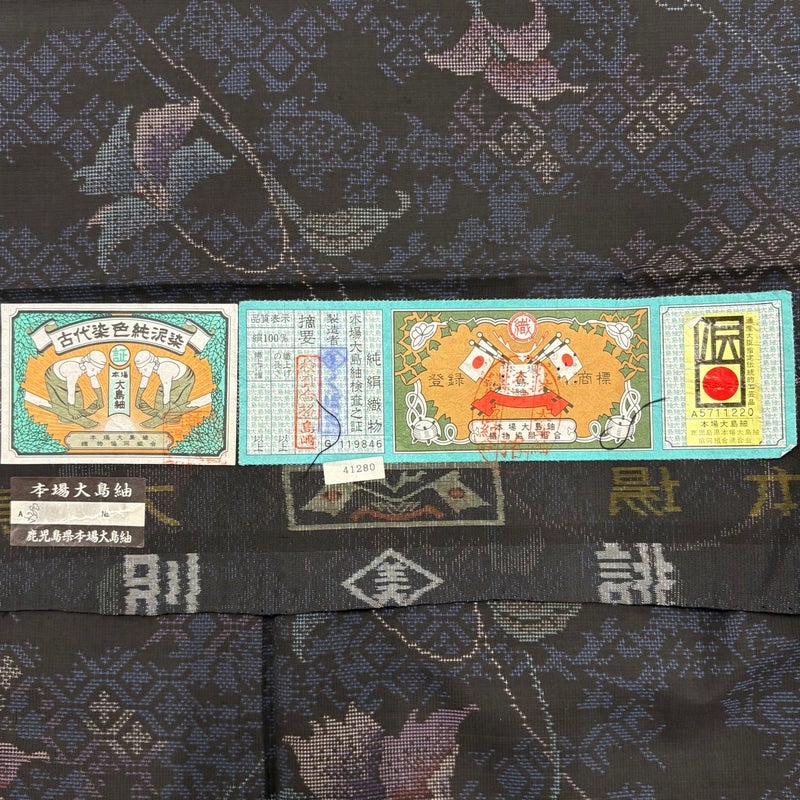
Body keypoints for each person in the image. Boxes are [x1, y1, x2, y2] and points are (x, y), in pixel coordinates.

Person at [43, 350, 106, 428]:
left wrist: (100, 399)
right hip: (53, 376)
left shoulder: (88, 365)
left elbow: (94, 379)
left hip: (67, 377)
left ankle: (75, 414)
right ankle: (64, 419)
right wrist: (71, 409)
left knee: (78, 399)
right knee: (61, 400)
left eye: (98, 371)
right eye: (93, 369)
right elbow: (71, 389)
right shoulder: (74, 369)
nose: (96, 372)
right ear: (87, 363)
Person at [133, 350, 196, 428]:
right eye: (140, 369)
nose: (141, 372)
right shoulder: (153, 364)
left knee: (174, 401)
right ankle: (160, 414)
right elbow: (145, 378)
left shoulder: (164, 368)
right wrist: (138, 398)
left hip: (186, 378)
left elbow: (167, 390)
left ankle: (170, 417)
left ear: (151, 363)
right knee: (160, 393)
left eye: (144, 369)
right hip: (174, 377)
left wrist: (165, 408)